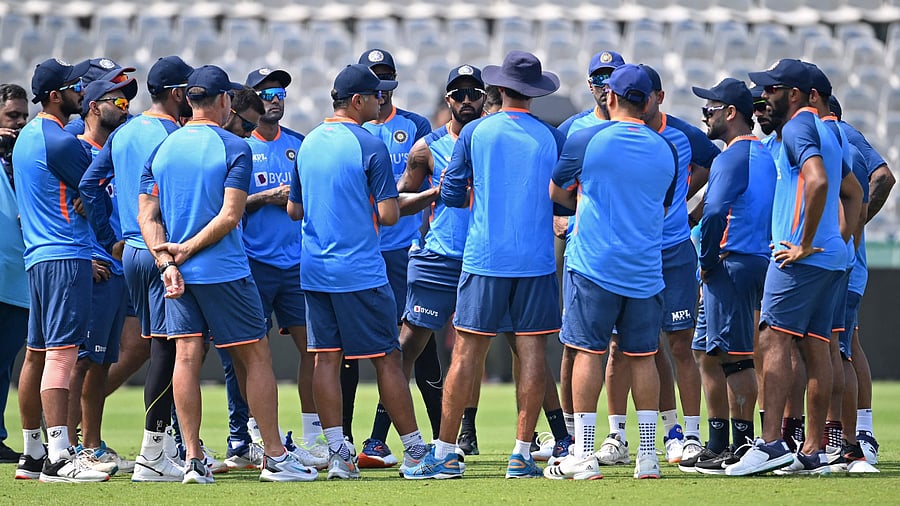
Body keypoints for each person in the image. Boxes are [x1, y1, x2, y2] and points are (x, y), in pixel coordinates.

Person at [139, 64, 317, 484]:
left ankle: (193, 461)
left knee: (186, 357)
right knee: (255, 357)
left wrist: (167, 261)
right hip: (224, 270)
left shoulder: (164, 148)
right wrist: (185, 251)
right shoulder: (234, 147)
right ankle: (274, 457)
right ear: (225, 101)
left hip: (178, 275)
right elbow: (230, 214)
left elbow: (147, 215)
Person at [407, 50, 566, 480]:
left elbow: (453, 195)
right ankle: (521, 453)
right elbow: (564, 196)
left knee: (466, 352)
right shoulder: (552, 137)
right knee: (532, 352)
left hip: (484, 257)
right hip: (534, 259)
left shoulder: (475, 132)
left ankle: (443, 451)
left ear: (496, 90)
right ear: (534, 93)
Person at [286, 63, 429, 480]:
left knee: (325, 360)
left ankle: (337, 455)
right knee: (387, 358)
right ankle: (417, 453)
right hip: (360, 271)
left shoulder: (308, 142)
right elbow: (387, 215)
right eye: (375, 94)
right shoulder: (369, 145)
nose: (380, 100)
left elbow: (295, 209)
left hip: (314, 270)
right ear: (357, 101)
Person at [545, 63, 677, 481]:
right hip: (644, 269)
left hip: (594, 265)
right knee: (643, 358)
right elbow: (666, 201)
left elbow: (556, 192)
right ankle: (649, 458)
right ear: (649, 100)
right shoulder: (665, 148)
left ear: (612, 97)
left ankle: (583, 454)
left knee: (588, 353)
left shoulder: (587, 139)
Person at [727, 59, 848, 476]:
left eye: (771, 90)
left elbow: (817, 182)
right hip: (832, 259)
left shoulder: (798, 126)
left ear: (793, 94)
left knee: (772, 339)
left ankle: (773, 443)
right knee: (818, 348)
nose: (764, 97)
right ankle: (813, 451)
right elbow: (853, 191)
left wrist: (805, 242)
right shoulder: (832, 131)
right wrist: (836, 239)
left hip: (799, 257)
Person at [80, 55, 195, 482]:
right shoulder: (175, 135)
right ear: (178, 92)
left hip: (130, 251)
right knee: (170, 348)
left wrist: (109, 233)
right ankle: (153, 453)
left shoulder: (126, 132)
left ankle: (160, 449)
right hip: (162, 249)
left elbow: (91, 183)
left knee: (157, 346)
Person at [598, 64, 718, 467]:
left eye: (642, 96)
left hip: (672, 251)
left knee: (680, 345)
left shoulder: (682, 135)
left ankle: (689, 436)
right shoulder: (607, 134)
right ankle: (616, 437)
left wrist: (693, 210)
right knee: (619, 347)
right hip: (629, 252)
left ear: (658, 98)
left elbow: (714, 162)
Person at [214, 68, 326, 471]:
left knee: (314, 349)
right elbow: (225, 207)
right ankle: (250, 437)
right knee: (242, 356)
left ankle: (314, 438)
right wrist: (266, 197)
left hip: (297, 263)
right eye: (266, 93)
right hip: (250, 262)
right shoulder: (235, 144)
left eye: (280, 92)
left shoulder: (300, 144)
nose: (275, 99)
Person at [12, 57, 109, 483]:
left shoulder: (28, 137)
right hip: (66, 254)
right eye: (75, 87)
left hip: (37, 256)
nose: (82, 93)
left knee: (37, 352)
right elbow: (94, 192)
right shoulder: (60, 140)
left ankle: (33, 454)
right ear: (56, 95)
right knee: (63, 353)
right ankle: (58, 456)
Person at [387, 65, 486, 456]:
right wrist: (434, 194)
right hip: (441, 255)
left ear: (484, 97)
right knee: (407, 347)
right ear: (448, 99)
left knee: (477, 346)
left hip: (485, 258)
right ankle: (396, 438)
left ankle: (468, 432)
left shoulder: (494, 140)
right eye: (457, 94)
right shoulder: (426, 147)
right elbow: (398, 200)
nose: (465, 101)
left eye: (472, 93)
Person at [681, 78, 776, 474]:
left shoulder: (731, 158)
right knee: (707, 351)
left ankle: (742, 443)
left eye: (711, 109)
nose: (706, 116)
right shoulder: (762, 154)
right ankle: (719, 441)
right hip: (746, 260)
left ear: (731, 113)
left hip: (730, 261)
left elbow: (715, 211)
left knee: (736, 357)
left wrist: (706, 260)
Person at [352, 48, 440, 468]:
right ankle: (348, 440)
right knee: (379, 349)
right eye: (373, 77)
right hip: (365, 250)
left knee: (413, 343)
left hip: (405, 249)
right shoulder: (350, 130)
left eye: (387, 76)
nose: (381, 86)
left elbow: (423, 182)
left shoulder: (415, 126)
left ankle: (439, 437)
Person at [550, 49, 626, 464]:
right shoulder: (573, 129)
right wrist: (561, 218)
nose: (604, 85)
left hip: (627, 252)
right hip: (584, 250)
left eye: (611, 77)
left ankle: (617, 435)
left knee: (630, 346)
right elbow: (552, 185)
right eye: (597, 77)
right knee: (575, 344)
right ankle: (570, 435)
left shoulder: (639, 126)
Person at [71, 76, 137, 476]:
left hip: (119, 264)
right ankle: (61, 444)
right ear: (93, 106)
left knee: (100, 362)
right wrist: (83, 258)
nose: (125, 107)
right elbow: (64, 208)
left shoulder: (118, 149)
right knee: (79, 361)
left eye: (129, 102)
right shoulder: (74, 149)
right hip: (94, 266)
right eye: (117, 101)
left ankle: (91, 445)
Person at [829, 95, 894, 465]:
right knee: (847, 345)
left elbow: (884, 176)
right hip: (840, 262)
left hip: (842, 265)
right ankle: (855, 434)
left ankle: (854, 438)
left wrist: (854, 225)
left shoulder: (841, 133)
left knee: (843, 350)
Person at [0, 83, 29, 465]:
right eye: (12, 116)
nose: (20, 123)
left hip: (18, 274)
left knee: (5, 362)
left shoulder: (21, 156)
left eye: (24, 116)